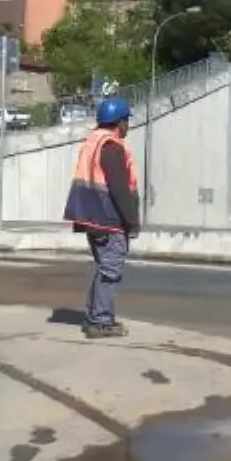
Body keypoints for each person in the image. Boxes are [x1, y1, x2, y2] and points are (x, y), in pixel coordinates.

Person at [62, 96, 140, 339]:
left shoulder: (93, 142)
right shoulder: (112, 147)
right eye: (126, 121)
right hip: (108, 219)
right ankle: (100, 321)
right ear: (119, 122)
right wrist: (132, 222)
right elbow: (119, 189)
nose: (128, 126)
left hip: (92, 217)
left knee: (104, 269)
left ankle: (97, 316)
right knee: (110, 270)